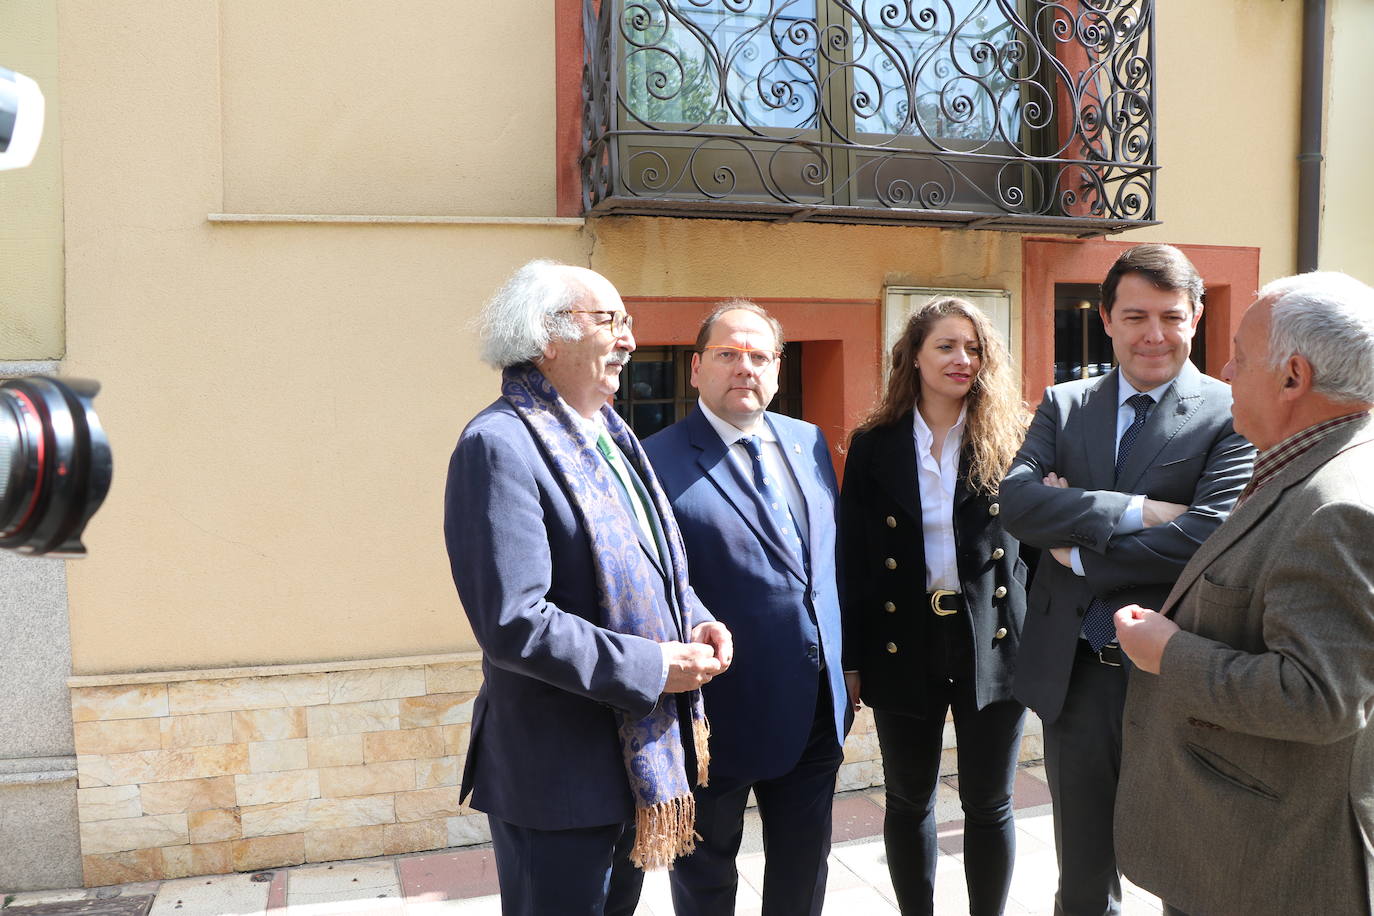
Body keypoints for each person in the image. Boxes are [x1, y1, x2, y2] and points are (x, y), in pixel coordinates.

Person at [443, 260, 733, 916]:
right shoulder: (499, 446)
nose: (629, 339)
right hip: (558, 780)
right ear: (548, 338)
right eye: (610, 321)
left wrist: (693, 615)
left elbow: (652, 563)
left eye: (626, 322)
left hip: (632, 766)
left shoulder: (609, 433)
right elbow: (514, 620)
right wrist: (655, 664)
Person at [998, 244, 1255, 916]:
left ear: (1197, 317)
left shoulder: (1232, 413)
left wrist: (1075, 548)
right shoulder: (1064, 402)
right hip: (1076, 672)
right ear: (1106, 319)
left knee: (1187, 871)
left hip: (1174, 675)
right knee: (1082, 876)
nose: (1154, 334)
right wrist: (1139, 512)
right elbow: (1018, 504)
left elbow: (1206, 539)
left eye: (1171, 316)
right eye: (1136, 315)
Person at [1113, 271, 1374, 916]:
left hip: (1269, 867)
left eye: (1239, 353)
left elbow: (1319, 699)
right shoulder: (1316, 466)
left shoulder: (1334, 506)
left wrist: (1167, 652)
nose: (1223, 369)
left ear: (1293, 377)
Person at [643, 301, 848, 916]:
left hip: (815, 706)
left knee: (803, 871)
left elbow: (824, 569)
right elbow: (654, 585)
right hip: (715, 712)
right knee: (706, 880)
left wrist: (848, 663)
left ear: (778, 370)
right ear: (696, 368)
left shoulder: (808, 441)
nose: (745, 368)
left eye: (759, 357)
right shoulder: (654, 461)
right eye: (729, 354)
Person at [839, 296, 1029, 915]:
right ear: (914, 356)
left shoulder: (1013, 438)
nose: (962, 359)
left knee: (989, 802)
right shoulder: (874, 445)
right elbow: (855, 559)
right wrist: (852, 657)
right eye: (946, 346)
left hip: (992, 638)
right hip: (904, 639)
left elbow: (1037, 545)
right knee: (909, 799)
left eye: (974, 348)